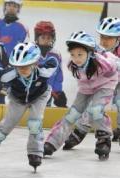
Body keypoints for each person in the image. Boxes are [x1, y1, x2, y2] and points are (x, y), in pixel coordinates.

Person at [44, 31, 119, 160]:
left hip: (106, 85)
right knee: (72, 114)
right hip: (86, 88)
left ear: (90, 53)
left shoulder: (105, 62)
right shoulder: (71, 65)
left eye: (80, 54)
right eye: (73, 54)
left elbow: (114, 69)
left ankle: (104, 139)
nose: (76, 58)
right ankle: (51, 142)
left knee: (96, 109)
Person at [0, 42, 56, 172]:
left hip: (40, 96)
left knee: (35, 122)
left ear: (34, 63)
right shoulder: (9, 75)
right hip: (17, 99)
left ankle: (35, 152)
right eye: (19, 66)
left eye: (26, 66)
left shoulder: (43, 72)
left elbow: (53, 61)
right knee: (5, 126)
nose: (22, 69)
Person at [63, 17, 120, 150]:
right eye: (102, 37)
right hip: (105, 81)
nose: (104, 41)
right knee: (93, 105)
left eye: (109, 38)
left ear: (118, 39)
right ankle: (80, 130)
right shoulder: (96, 49)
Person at [0, 0, 29, 104]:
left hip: (12, 66)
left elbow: (25, 49)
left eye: (14, 6)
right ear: (5, 6)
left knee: (4, 92)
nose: (11, 8)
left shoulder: (22, 27)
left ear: (18, 8)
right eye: (9, 5)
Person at [34, 21, 67, 108]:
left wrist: (57, 92)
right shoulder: (31, 53)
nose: (46, 41)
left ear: (53, 39)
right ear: (37, 38)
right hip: (31, 94)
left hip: (47, 94)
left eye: (49, 38)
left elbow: (58, 76)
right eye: (43, 37)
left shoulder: (56, 55)